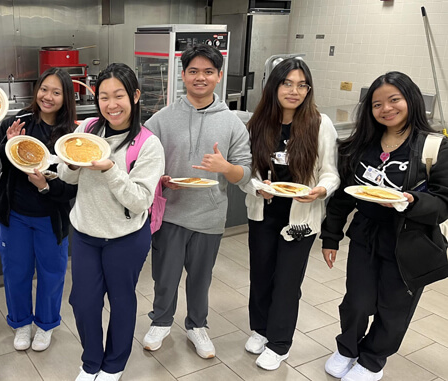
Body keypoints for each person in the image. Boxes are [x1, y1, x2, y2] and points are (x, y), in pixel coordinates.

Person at [320, 71, 448, 381]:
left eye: (394, 100)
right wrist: (331, 237)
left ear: (411, 100)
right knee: (356, 302)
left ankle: (373, 359)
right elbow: (342, 198)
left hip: (409, 241)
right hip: (365, 235)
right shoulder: (362, 144)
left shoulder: (434, 146)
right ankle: (347, 347)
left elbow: (444, 203)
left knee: (394, 307)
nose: (386, 109)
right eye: (377, 104)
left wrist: (412, 202)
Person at [142, 43, 252, 359]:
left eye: (207, 72)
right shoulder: (161, 120)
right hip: (171, 214)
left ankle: (197, 325)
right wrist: (158, 179)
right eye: (193, 71)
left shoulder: (232, 123)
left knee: (201, 279)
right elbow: (145, 163)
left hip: (210, 216)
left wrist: (226, 168)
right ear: (184, 75)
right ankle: (161, 321)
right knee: (164, 276)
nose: (200, 77)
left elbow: (244, 174)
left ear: (218, 76)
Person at [58, 63, 165, 381]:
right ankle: (91, 362)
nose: (111, 104)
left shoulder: (148, 144)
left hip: (126, 237)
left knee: (121, 301)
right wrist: (71, 163)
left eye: (119, 95)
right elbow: (67, 179)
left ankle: (114, 365)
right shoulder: (87, 129)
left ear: (134, 96)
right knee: (83, 302)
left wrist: (109, 169)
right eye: (104, 96)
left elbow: (140, 200)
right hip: (86, 232)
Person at [241, 58, 339, 370]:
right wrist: (259, 187)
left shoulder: (319, 124)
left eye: (301, 85)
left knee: (286, 281)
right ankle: (260, 329)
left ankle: (280, 343)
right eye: (287, 83)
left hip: (301, 216)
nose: (294, 91)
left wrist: (321, 190)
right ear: (275, 86)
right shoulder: (258, 124)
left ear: (308, 89)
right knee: (261, 274)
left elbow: (330, 172)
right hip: (264, 212)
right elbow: (248, 172)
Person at [0, 67, 77, 351]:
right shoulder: (17, 124)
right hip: (15, 214)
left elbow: (72, 189)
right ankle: (20, 323)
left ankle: (45, 324)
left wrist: (46, 186)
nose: (48, 97)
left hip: (50, 218)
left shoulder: (71, 137)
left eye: (56, 92)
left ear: (66, 98)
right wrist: (6, 144)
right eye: (44, 89)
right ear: (36, 90)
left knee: (52, 273)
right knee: (15, 271)